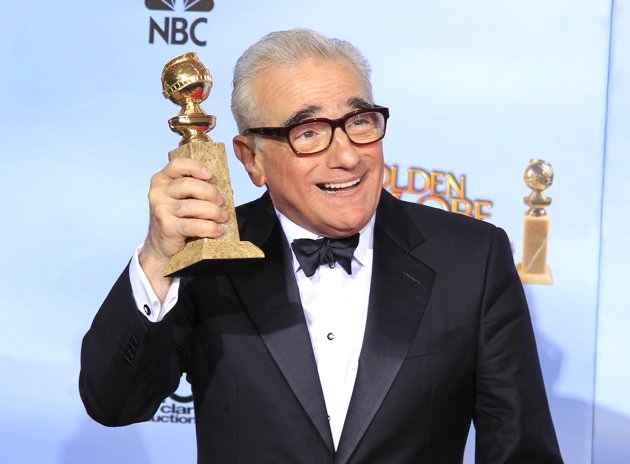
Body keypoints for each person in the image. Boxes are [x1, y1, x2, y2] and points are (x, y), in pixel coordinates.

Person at [80, 29, 563, 463]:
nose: (347, 155)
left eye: (360, 121)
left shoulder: (471, 258)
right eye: (308, 132)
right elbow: (114, 403)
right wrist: (158, 259)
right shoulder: (210, 254)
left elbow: (521, 451)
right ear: (251, 159)